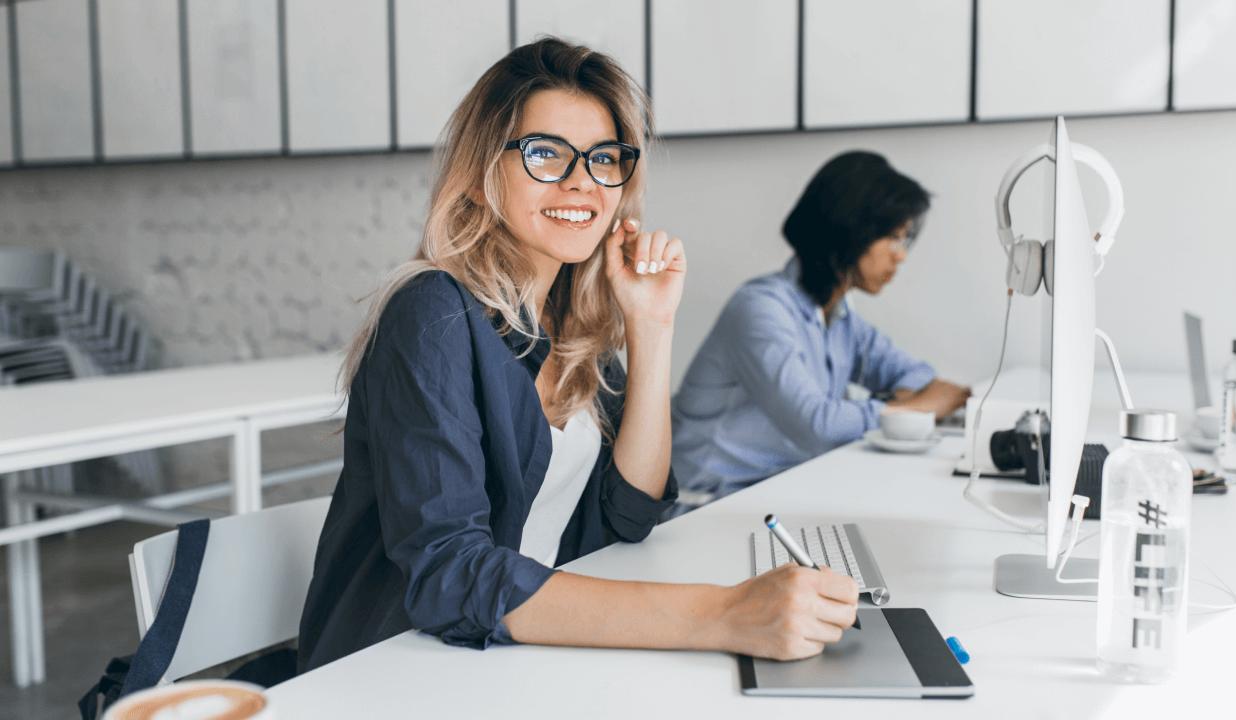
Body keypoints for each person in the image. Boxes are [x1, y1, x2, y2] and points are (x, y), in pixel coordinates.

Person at [297, 38, 858, 673]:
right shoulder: (433, 313)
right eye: (545, 154)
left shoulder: (569, 318)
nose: (581, 182)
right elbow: (449, 574)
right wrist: (723, 614)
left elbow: (630, 512)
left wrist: (651, 324)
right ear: (480, 178)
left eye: (603, 159)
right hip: (395, 669)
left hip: (512, 656)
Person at [672, 151, 970, 504]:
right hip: (701, 507)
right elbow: (820, 427)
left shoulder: (839, 316)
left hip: (775, 493)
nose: (900, 255)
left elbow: (918, 374)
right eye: (892, 237)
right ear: (851, 230)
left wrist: (901, 402)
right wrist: (913, 410)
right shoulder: (761, 309)